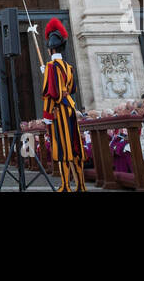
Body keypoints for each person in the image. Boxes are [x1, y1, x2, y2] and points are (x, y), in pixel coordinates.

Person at [39, 17, 85, 192]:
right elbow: (71, 88)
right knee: (75, 145)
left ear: (50, 49)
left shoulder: (51, 67)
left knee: (63, 146)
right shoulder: (69, 67)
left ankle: (66, 185)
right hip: (71, 109)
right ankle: (80, 185)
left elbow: (50, 94)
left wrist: (47, 117)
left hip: (59, 112)